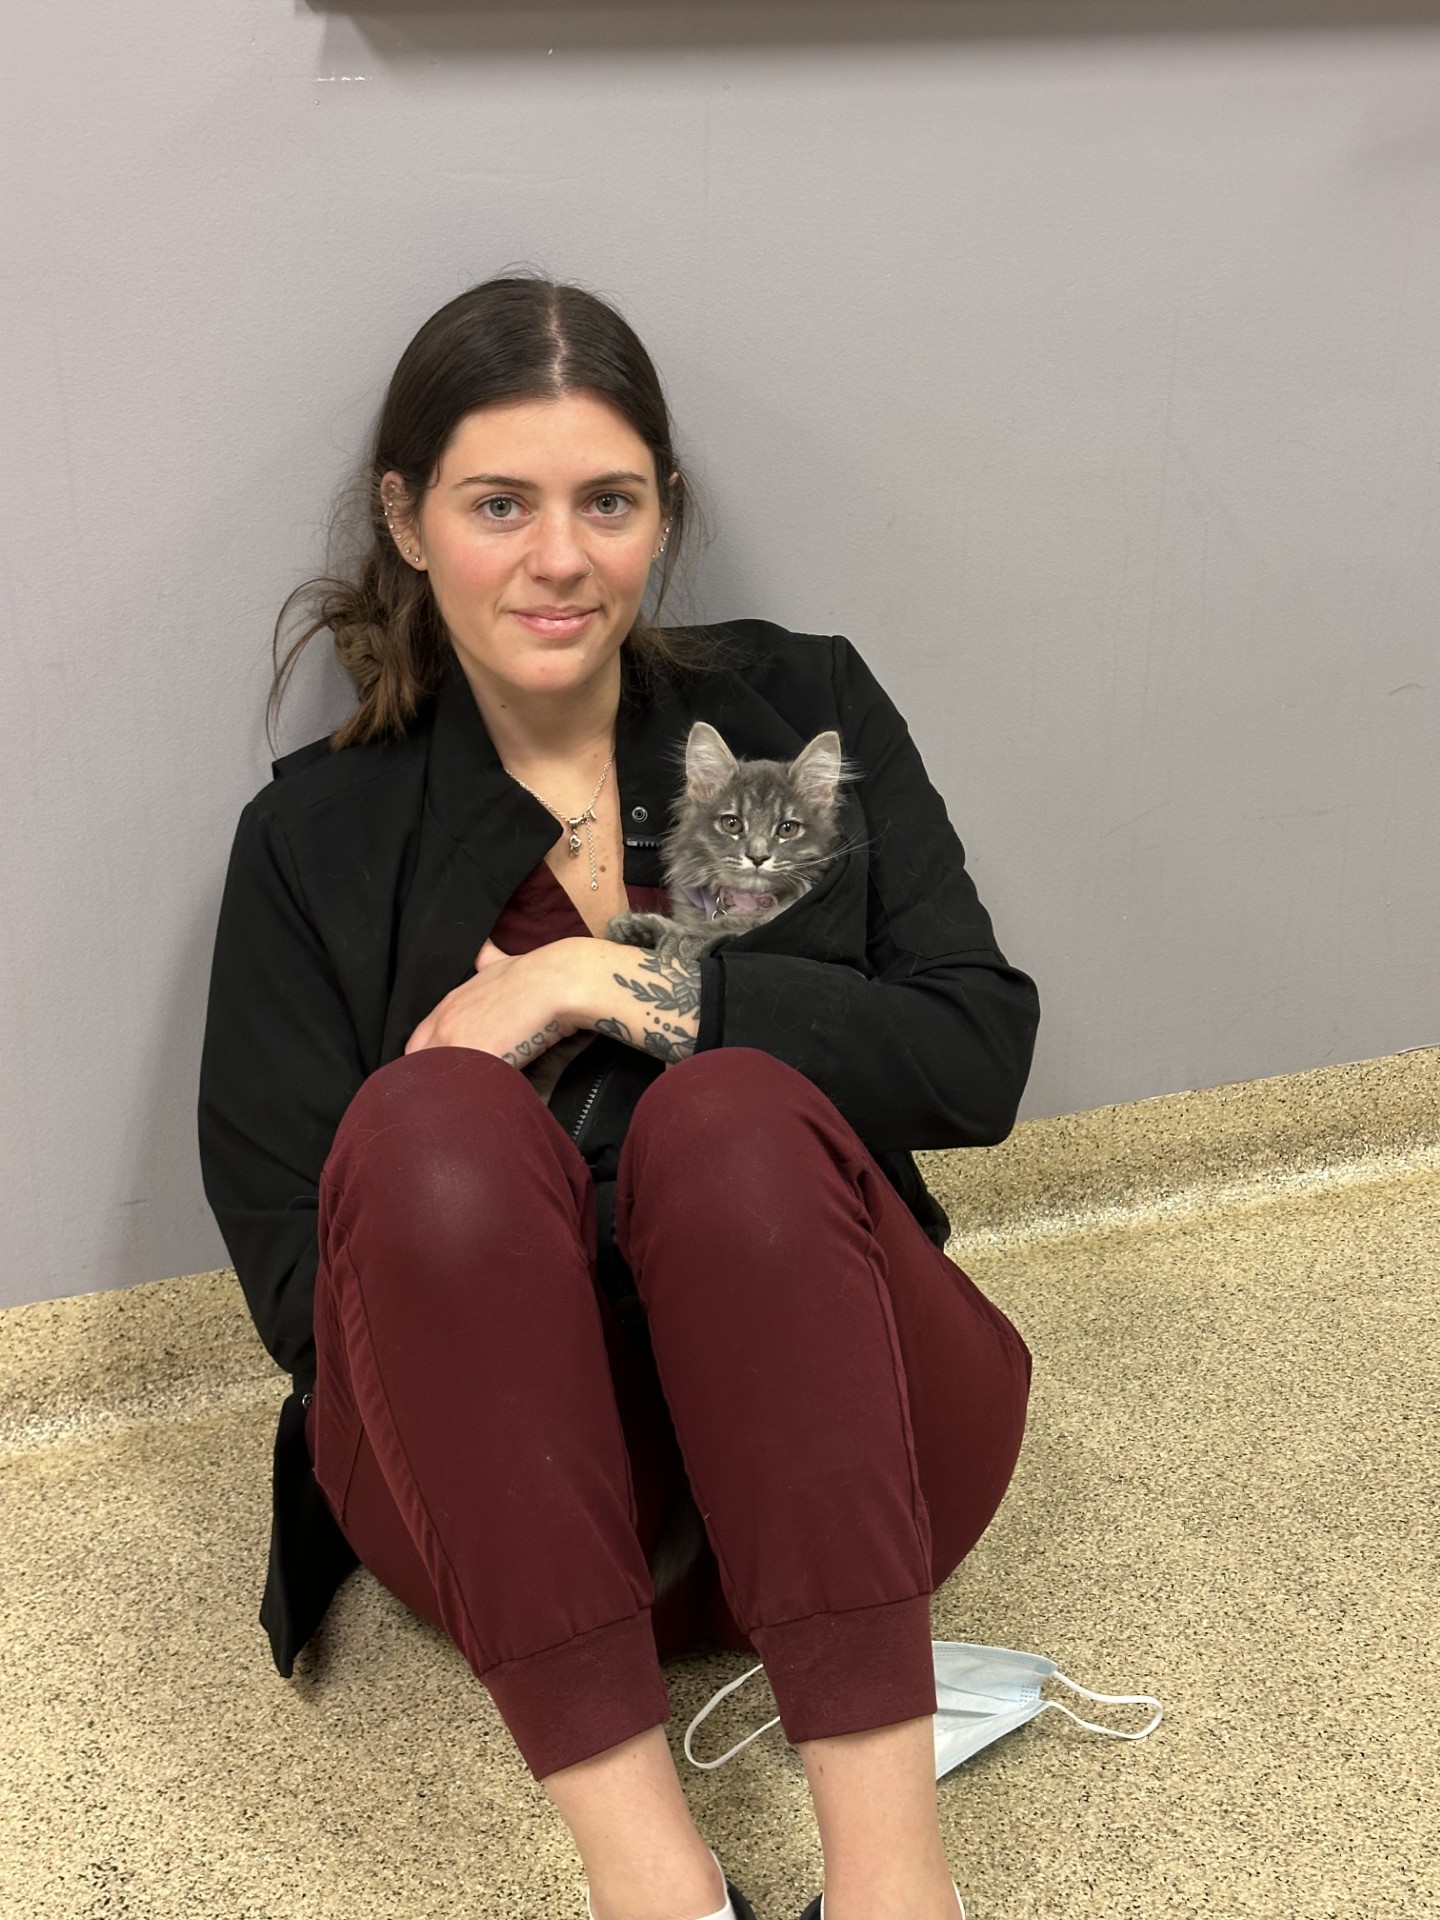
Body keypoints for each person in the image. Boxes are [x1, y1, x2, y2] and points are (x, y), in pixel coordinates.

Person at [197, 275, 1040, 1920]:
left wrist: (600, 982)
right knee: (427, 1126)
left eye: (609, 501)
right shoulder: (311, 841)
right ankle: (654, 1887)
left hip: (847, 1446)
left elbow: (974, 1053)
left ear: (666, 515)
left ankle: (895, 1892)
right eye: (498, 503)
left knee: (722, 1115)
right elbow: (307, 1294)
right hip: (513, 1521)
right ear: (409, 518)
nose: (559, 558)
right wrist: (472, 1130)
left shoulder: (807, 706)